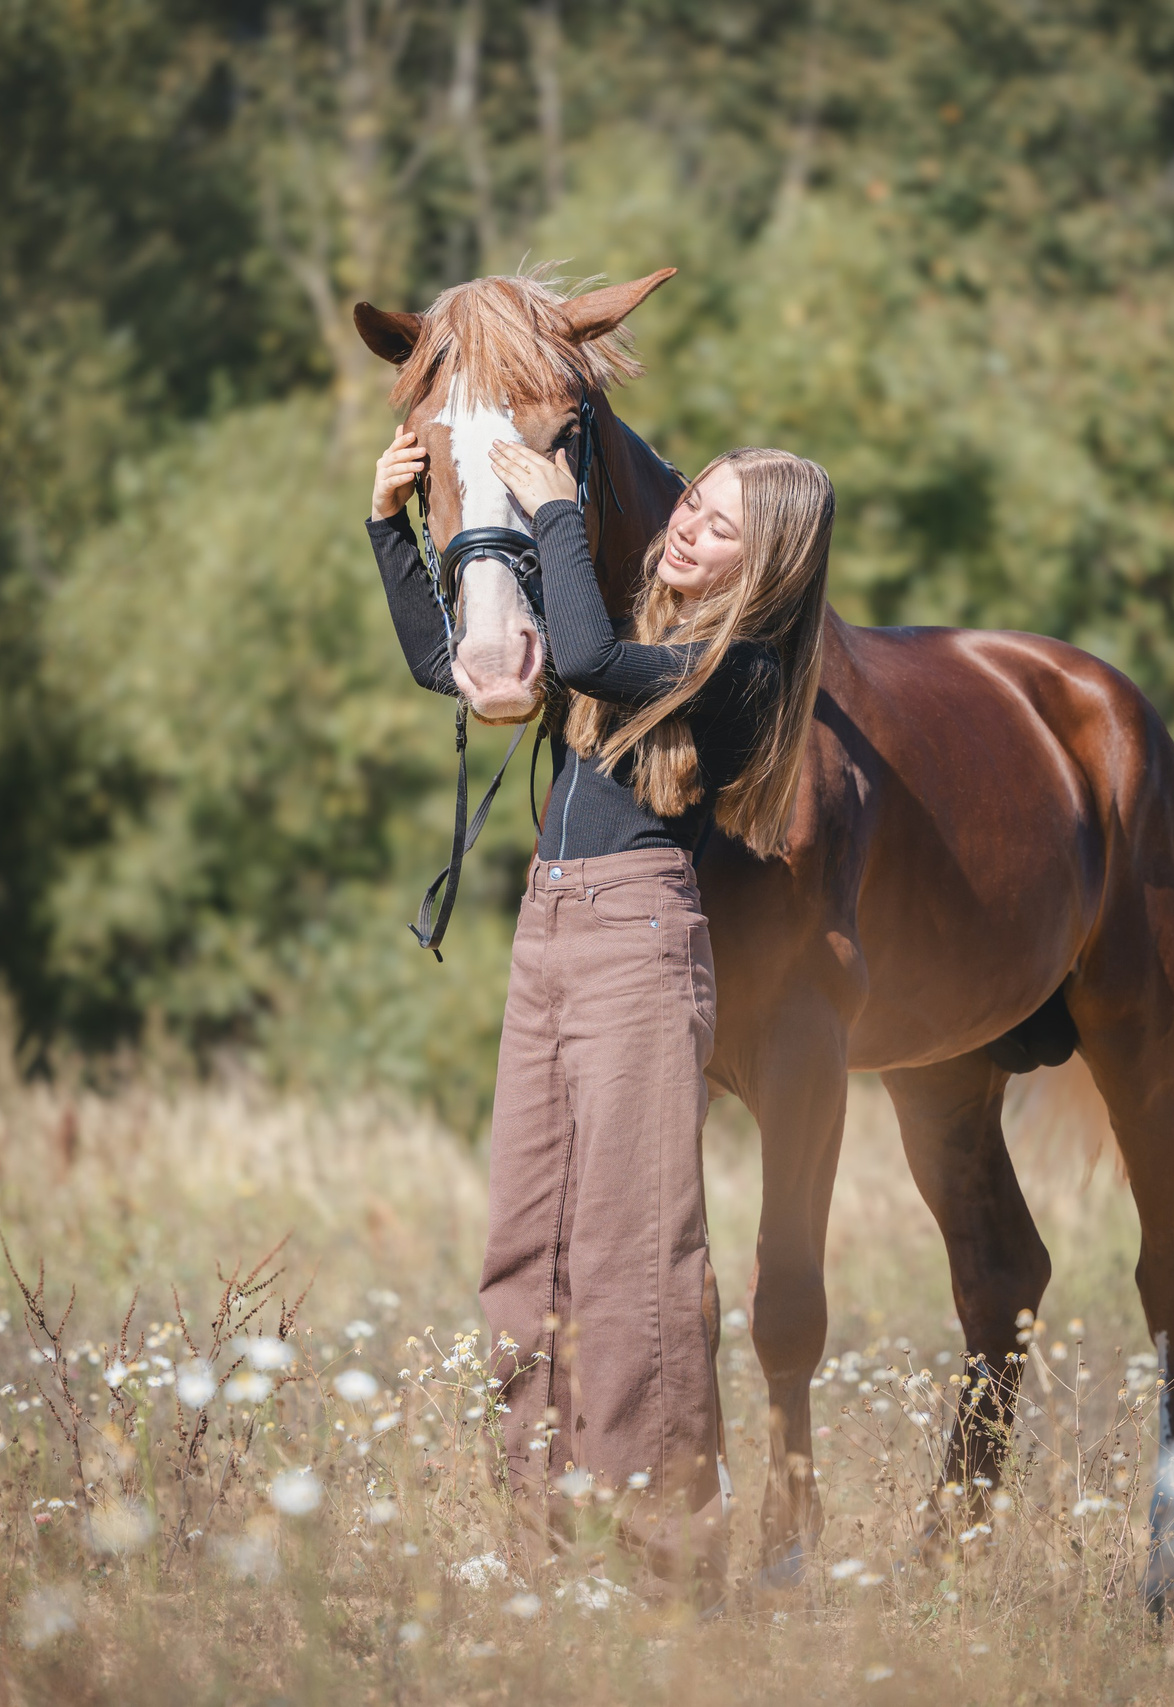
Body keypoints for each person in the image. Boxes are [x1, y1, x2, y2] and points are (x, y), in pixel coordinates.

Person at [366, 427, 836, 1603]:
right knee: (526, 1251)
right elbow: (457, 668)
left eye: (721, 526)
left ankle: (668, 1564)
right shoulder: (643, 640)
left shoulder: (742, 673)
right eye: (694, 505)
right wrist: (388, 528)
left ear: (765, 563)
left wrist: (556, 503)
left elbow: (573, 645)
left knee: (639, 1256)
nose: (688, 525)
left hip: (637, 941)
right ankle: (546, 1538)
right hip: (550, 932)